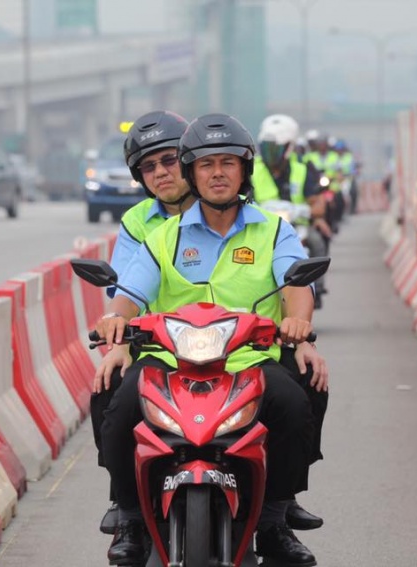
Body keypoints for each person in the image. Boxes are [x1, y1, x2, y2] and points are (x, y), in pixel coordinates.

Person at [96, 113, 326, 566]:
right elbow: (129, 291)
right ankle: (132, 519)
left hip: (249, 360)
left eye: (227, 163)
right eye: (205, 164)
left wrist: (299, 326)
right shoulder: (162, 238)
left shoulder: (274, 230)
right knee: (118, 397)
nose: (217, 172)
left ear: (245, 170)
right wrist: (114, 321)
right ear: (191, 172)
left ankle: (275, 519)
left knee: (301, 393)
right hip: (169, 360)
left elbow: (296, 286)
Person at [90, 110, 195, 535]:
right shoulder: (138, 223)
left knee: (296, 388)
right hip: (159, 347)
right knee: (108, 394)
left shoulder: (234, 214)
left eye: (169, 160)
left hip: (234, 349)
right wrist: (118, 340)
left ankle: (278, 509)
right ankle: (127, 508)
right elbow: (125, 293)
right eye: (148, 167)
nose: (161, 173)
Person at [252, 114, 332, 309]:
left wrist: (313, 212)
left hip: (296, 226)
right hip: (260, 226)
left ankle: (317, 288)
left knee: (317, 239)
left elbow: (317, 201)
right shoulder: (252, 169)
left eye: (275, 149)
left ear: (289, 147)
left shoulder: (303, 169)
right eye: (266, 148)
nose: (270, 154)